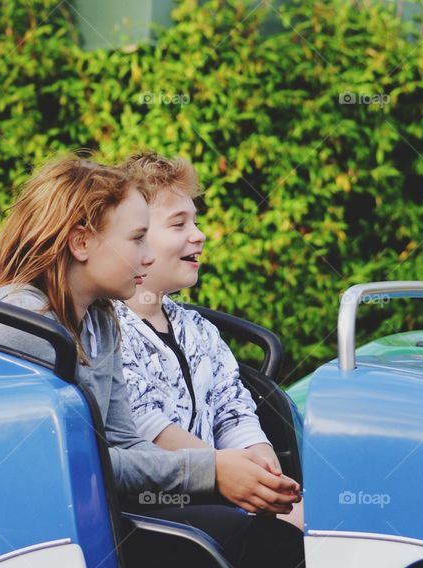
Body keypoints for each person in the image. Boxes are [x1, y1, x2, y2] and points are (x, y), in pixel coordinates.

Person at [0, 155, 306, 568]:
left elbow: (123, 444)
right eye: (137, 239)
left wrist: (224, 475)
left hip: (100, 511)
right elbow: (69, 466)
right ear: (82, 242)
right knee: (227, 547)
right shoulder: (24, 323)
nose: (147, 256)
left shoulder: (100, 320)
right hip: (40, 531)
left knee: (267, 544)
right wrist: (211, 472)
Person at [115, 151, 305, 533]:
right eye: (178, 224)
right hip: (159, 504)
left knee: (306, 522)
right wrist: (225, 474)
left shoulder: (199, 329)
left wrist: (264, 472)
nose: (198, 235)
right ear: (135, 237)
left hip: (225, 485)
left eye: (196, 221)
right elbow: (145, 424)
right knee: (275, 535)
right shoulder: (108, 328)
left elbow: (233, 410)